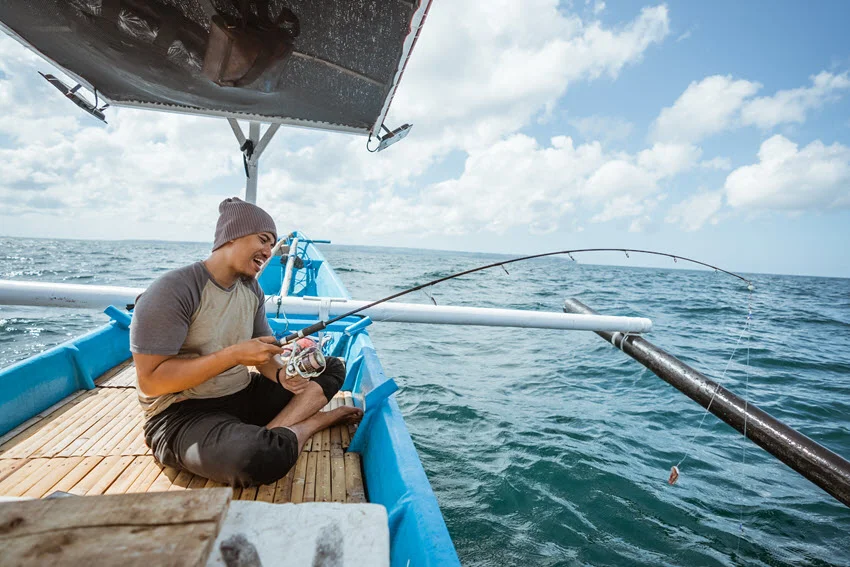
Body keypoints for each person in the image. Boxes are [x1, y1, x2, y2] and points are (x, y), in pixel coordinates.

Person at [130, 197, 362, 487]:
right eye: (263, 240)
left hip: (240, 393)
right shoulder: (174, 289)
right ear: (232, 236)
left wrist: (280, 373)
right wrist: (235, 356)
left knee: (331, 367)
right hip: (180, 411)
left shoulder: (251, 289)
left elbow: (264, 353)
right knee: (255, 457)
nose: (269, 251)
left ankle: (274, 431)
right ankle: (313, 422)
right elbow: (151, 382)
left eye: (272, 243)